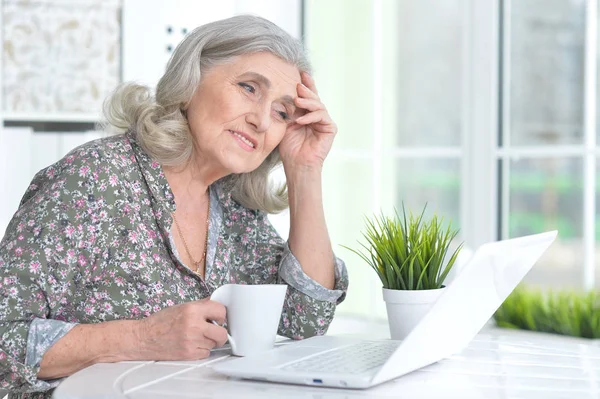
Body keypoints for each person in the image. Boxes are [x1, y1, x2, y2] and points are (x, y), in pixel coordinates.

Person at [0, 15, 348, 398]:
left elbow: (306, 319)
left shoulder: (232, 206)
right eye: (249, 88)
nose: (262, 120)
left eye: (282, 112)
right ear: (190, 82)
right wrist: (140, 336)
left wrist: (305, 169)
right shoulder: (93, 179)